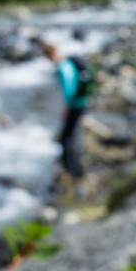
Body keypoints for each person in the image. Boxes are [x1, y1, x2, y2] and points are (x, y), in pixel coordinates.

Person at [43, 44, 89, 178]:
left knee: (66, 138)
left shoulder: (63, 67)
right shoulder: (67, 63)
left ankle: (73, 169)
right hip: (80, 103)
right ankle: (73, 167)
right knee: (71, 135)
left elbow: (70, 90)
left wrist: (66, 107)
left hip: (75, 105)